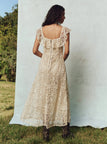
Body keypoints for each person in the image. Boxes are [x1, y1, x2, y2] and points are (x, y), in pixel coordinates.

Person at [20, 4, 74, 142]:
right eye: (63, 14)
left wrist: (45, 57)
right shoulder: (65, 31)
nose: (64, 17)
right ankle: (65, 130)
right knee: (61, 94)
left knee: (46, 94)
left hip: (44, 67)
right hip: (58, 66)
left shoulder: (41, 30)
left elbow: (34, 50)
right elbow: (66, 51)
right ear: (57, 15)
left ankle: (46, 130)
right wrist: (60, 60)